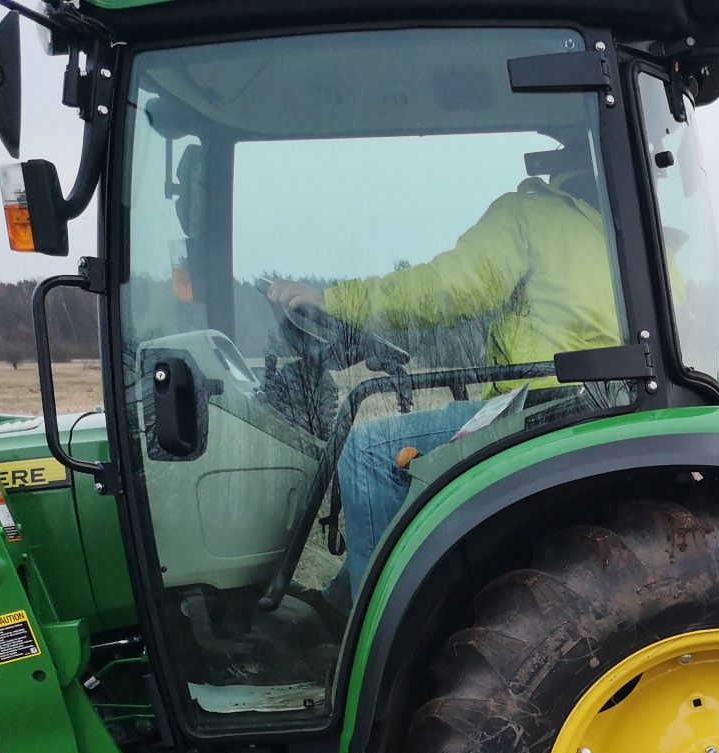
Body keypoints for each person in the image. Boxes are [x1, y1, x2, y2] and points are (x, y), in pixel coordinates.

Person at [265, 138, 621, 597]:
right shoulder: (630, 239)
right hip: (601, 406)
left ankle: (370, 618)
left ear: (558, 169)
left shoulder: (533, 213)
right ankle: (342, 594)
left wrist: (333, 299)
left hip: (545, 409)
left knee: (370, 450)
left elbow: (453, 289)